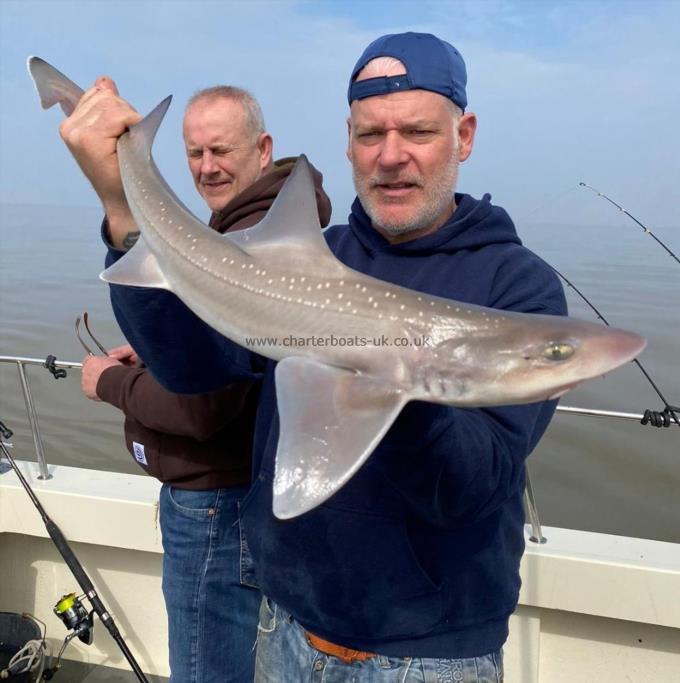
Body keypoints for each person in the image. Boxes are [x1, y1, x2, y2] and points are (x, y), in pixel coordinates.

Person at [74, 32, 567, 683]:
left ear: (464, 134)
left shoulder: (518, 290)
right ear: (348, 141)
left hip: (424, 653)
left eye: (417, 131)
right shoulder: (306, 259)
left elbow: (468, 484)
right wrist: (121, 210)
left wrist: (393, 366)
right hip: (285, 624)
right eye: (370, 135)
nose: (391, 156)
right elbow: (191, 368)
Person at [60, 81, 332, 683]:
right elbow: (224, 355)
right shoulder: (234, 226)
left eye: (221, 151)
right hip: (233, 504)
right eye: (194, 153)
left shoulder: (257, 236)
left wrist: (109, 383)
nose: (207, 168)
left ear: (263, 149)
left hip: (218, 506)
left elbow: (206, 403)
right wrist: (154, 356)